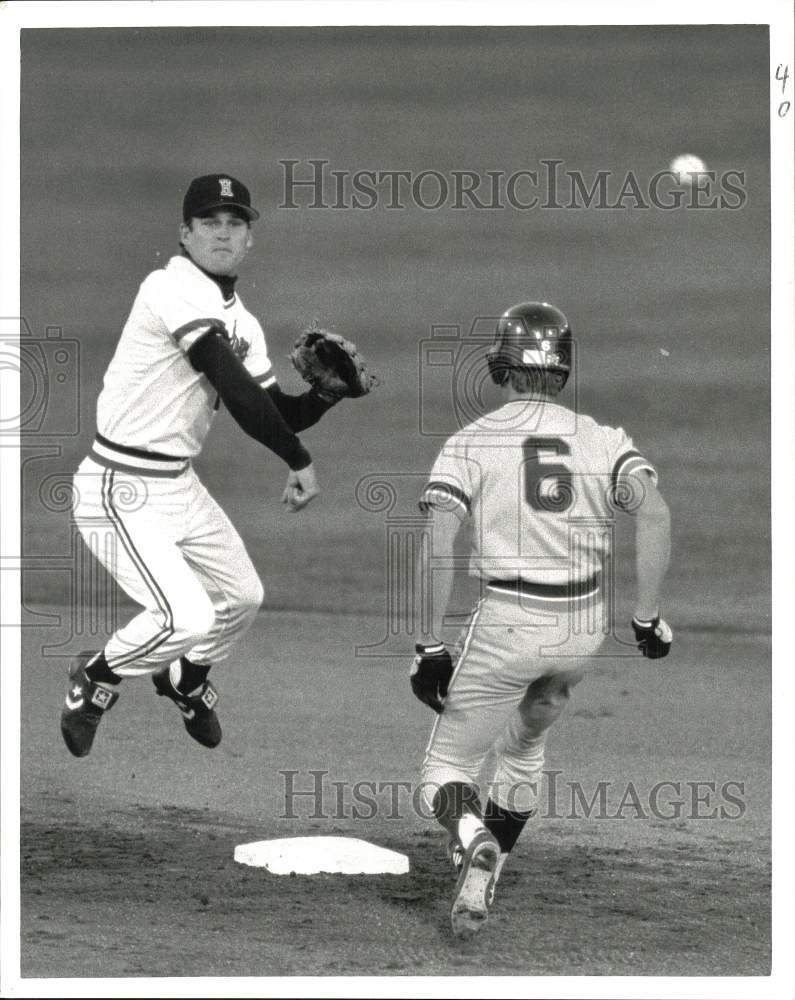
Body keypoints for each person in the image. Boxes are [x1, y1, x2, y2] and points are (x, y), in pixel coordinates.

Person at [410, 301, 672, 937]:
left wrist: (427, 644)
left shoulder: (471, 442)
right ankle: (485, 873)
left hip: (507, 623)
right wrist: (646, 618)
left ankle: (471, 836)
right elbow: (656, 513)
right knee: (525, 744)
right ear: (563, 369)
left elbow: (437, 540)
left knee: (441, 775)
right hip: (581, 631)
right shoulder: (604, 439)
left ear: (501, 365)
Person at [61, 173, 345, 757]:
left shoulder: (243, 319)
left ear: (249, 239)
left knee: (241, 597)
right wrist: (298, 459)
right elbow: (236, 394)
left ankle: (184, 679)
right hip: (120, 487)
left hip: (177, 484)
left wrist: (325, 395)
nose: (223, 233)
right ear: (185, 234)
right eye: (209, 222)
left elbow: (276, 409)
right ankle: (97, 675)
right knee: (184, 615)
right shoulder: (167, 287)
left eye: (234, 223)